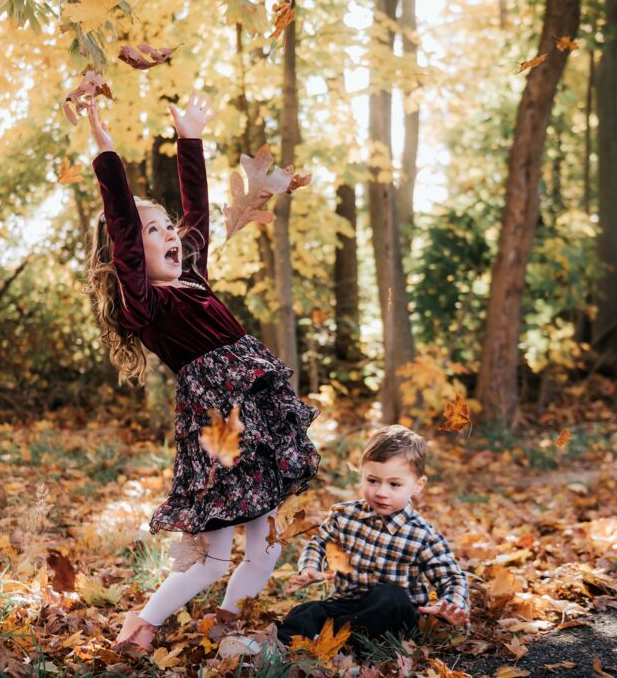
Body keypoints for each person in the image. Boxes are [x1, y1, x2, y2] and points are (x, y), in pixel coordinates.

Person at [85, 89, 321, 651]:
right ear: (128, 256)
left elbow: (197, 216)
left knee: (267, 547)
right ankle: (140, 625)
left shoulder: (192, 279)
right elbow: (122, 226)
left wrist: (189, 138)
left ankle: (228, 628)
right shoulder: (145, 301)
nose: (170, 235)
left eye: (167, 228)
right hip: (220, 424)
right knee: (215, 555)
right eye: (153, 232)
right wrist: (107, 154)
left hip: (252, 411)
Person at [277, 425, 469, 650]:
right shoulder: (345, 516)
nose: (381, 492)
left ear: (418, 485)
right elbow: (319, 542)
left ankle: (332, 640)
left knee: (391, 596)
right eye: (372, 480)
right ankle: (276, 646)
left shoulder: (422, 535)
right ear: (362, 475)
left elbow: (452, 577)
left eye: (394, 484)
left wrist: (452, 605)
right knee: (308, 610)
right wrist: (309, 567)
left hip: (393, 617)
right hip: (347, 603)